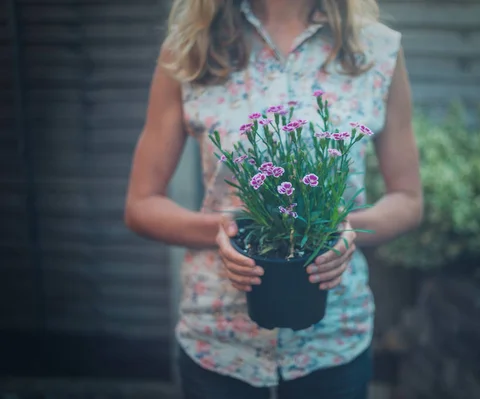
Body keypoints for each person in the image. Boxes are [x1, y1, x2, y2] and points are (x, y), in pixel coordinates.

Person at [124, 0, 422, 398]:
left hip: (332, 343)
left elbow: (408, 199)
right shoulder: (191, 47)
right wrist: (229, 229)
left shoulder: (376, 49)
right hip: (220, 343)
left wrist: (341, 230)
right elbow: (141, 205)